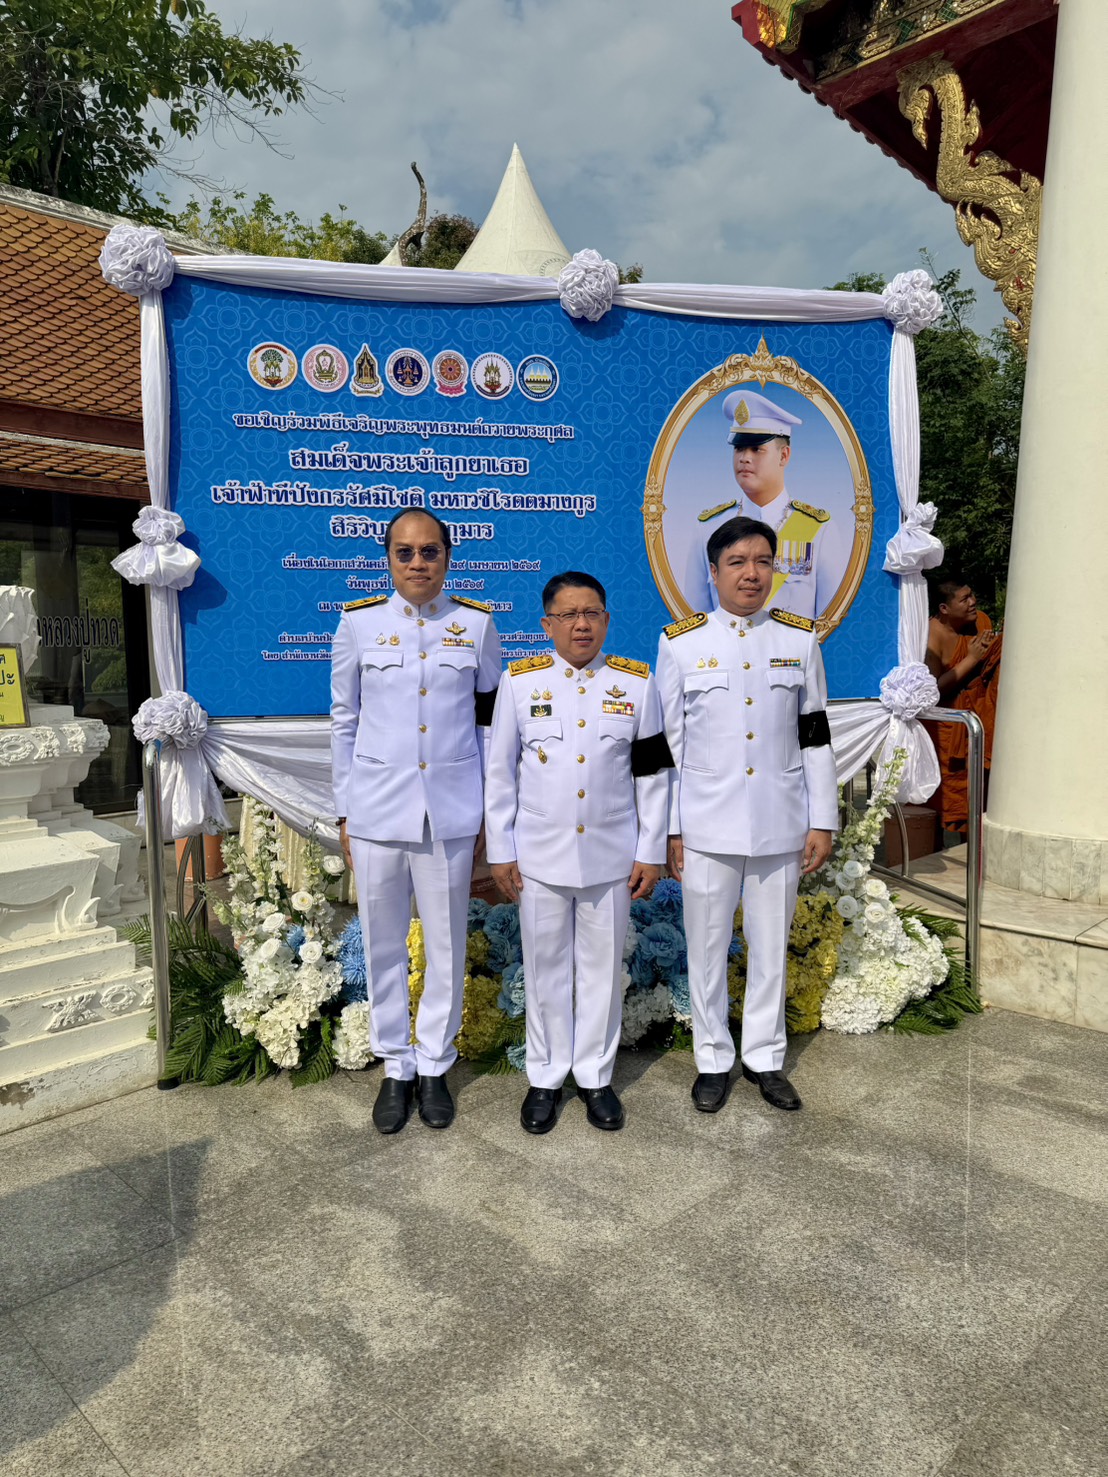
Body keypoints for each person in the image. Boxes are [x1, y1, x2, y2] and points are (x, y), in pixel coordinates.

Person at [657, 515, 838, 1114]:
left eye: (763, 561)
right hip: (707, 824)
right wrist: (671, 828)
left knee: (769, 945)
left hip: (780, 820)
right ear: (713, 573)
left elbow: (814, 735)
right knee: (705, 947)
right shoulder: (682, 643)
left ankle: (764, 1056)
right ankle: (712, 1058)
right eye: (737, 563)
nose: (752, 574)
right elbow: (668, 746)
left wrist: (822, 818)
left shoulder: (798, 640)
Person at [330, 509, 502, 1134]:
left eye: (429, 552)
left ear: (448, 557)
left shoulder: (475, 626)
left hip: (450, 810)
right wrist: (346, 811)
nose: (418, 563)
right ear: (388, 557)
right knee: (382, 940)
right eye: (405, 552)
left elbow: (490, 724)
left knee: (447, 942)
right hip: (377, 809)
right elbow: (343, 723)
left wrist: (487, 809)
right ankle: (394, 1066)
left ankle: (434, 1063)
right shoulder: (358, 624)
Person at [484, 571, 670, 1134]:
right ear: (547, 624)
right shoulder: (519, 682)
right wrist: (500, 850)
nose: (581, 624)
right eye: (568, 615)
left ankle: (594, 1076)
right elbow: (499, 776)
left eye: (591, 613)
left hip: (611, 855)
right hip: (539, 854)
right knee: (544, 969)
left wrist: (651, 848)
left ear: (607, 620)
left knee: (601, 970)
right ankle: (544, 1078)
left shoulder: (637, 684)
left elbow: (654, 775)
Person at [685, 389, 852, 622]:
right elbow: (696, 620)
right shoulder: (709, 527)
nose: (744, 457)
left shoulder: (818, 530)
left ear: (784, 456)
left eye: (756, 449)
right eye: (738, 448)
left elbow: (831, 621)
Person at [924, 574, 1002, 836]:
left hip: (981, 713)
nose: (973, 602)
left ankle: (975, 850)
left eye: (972, 595)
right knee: (948, 796)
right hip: (948, 725)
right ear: (944, 609)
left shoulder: (980, 622)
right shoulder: (931, 638)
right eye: (964, 599)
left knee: (982, 793)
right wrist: (971, 659)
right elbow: (931, 691)